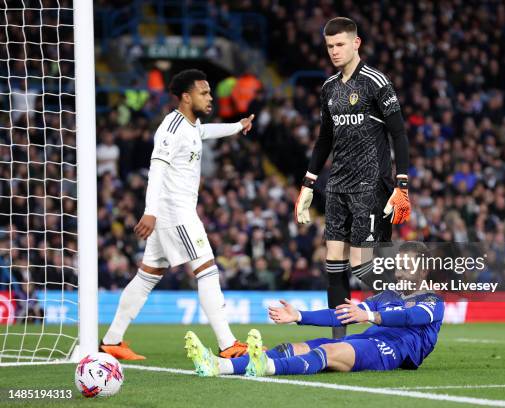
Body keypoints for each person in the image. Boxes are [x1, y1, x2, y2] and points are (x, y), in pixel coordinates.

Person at [100, 69, 255, 360]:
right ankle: (227, 344)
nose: (210, 98)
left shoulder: (191, 125)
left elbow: (205, 132)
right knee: (208, 271)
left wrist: (237, 125)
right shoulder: (170, 129)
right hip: (175, 212)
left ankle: (112, 340)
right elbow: (156, 170)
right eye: (204, 93)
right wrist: (150, 212)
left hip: (173, 212)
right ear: (186, 97)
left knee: (147, 276)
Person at [293, 17, 411, 338]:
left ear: (356, 43)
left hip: (370, 185)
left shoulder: (376, 83)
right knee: (334, 263)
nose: (334, 51)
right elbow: (324, 140)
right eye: (330, 46)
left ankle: (392, 326)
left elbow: (399, 134)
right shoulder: (329, 88)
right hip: (337, 187)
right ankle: (338, 340)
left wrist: (402, 184)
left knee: (363, 266)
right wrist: (308, 183)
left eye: (340, 44)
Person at [184, 241, 444, 377]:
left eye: (407, 266)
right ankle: (219, 366)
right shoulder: (388, 295)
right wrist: (299, 316)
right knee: (292, 347)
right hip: (367, 338)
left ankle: (267, 368)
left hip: (392, 352)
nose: (399, 271)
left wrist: (370, 316)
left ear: (423, 270)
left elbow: (410, 316)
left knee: (328, 351)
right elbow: (340, 314)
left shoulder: (432, 302)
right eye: (399, 264)